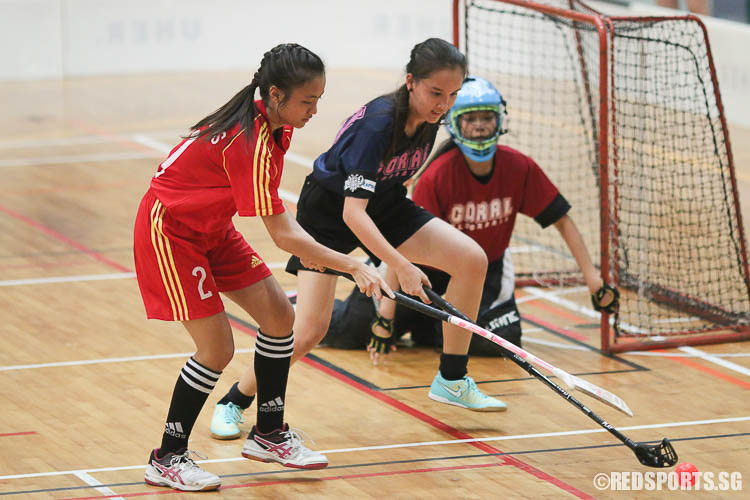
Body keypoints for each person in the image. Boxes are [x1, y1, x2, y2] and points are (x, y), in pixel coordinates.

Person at [208, 38, 507, 443]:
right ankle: (234, 401)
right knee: (310, 330)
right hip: (330, 213)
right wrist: (400, 265)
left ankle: (452, 378)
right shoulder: (379, 124)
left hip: (383, 203)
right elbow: (352, 213)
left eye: (452, 95)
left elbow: (380, 197)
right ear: (411, 82)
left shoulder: (432, 119)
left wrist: (397, 258)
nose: (443, 104)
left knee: (471, 259)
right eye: (436, 93)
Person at [133, 43, 391, 492]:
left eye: (319, 100)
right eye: (307, 101)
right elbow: (284, 236)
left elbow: (279, 221)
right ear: (275, 94)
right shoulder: (248, 139)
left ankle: (269, 434)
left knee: (280, 317)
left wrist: (341, 262)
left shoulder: (274, 125)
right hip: (171, 234)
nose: (313, 110)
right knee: (216, 350)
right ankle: (167, 458)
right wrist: (351, 265)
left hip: (212, 228)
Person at [321, 76, 619, 358]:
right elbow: (402, 244)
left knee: (498, 344)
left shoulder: (519, 167)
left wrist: (593, 280)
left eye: (486, 118)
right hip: (416, 273)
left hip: (482, 274)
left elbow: (562, 220)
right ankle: (306, 305)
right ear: (455, 124)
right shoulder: (438, 174)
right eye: (471, 119)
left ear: (499, 120)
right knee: (351, 333)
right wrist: (386, 319)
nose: (479, 127)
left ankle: (431, 327)